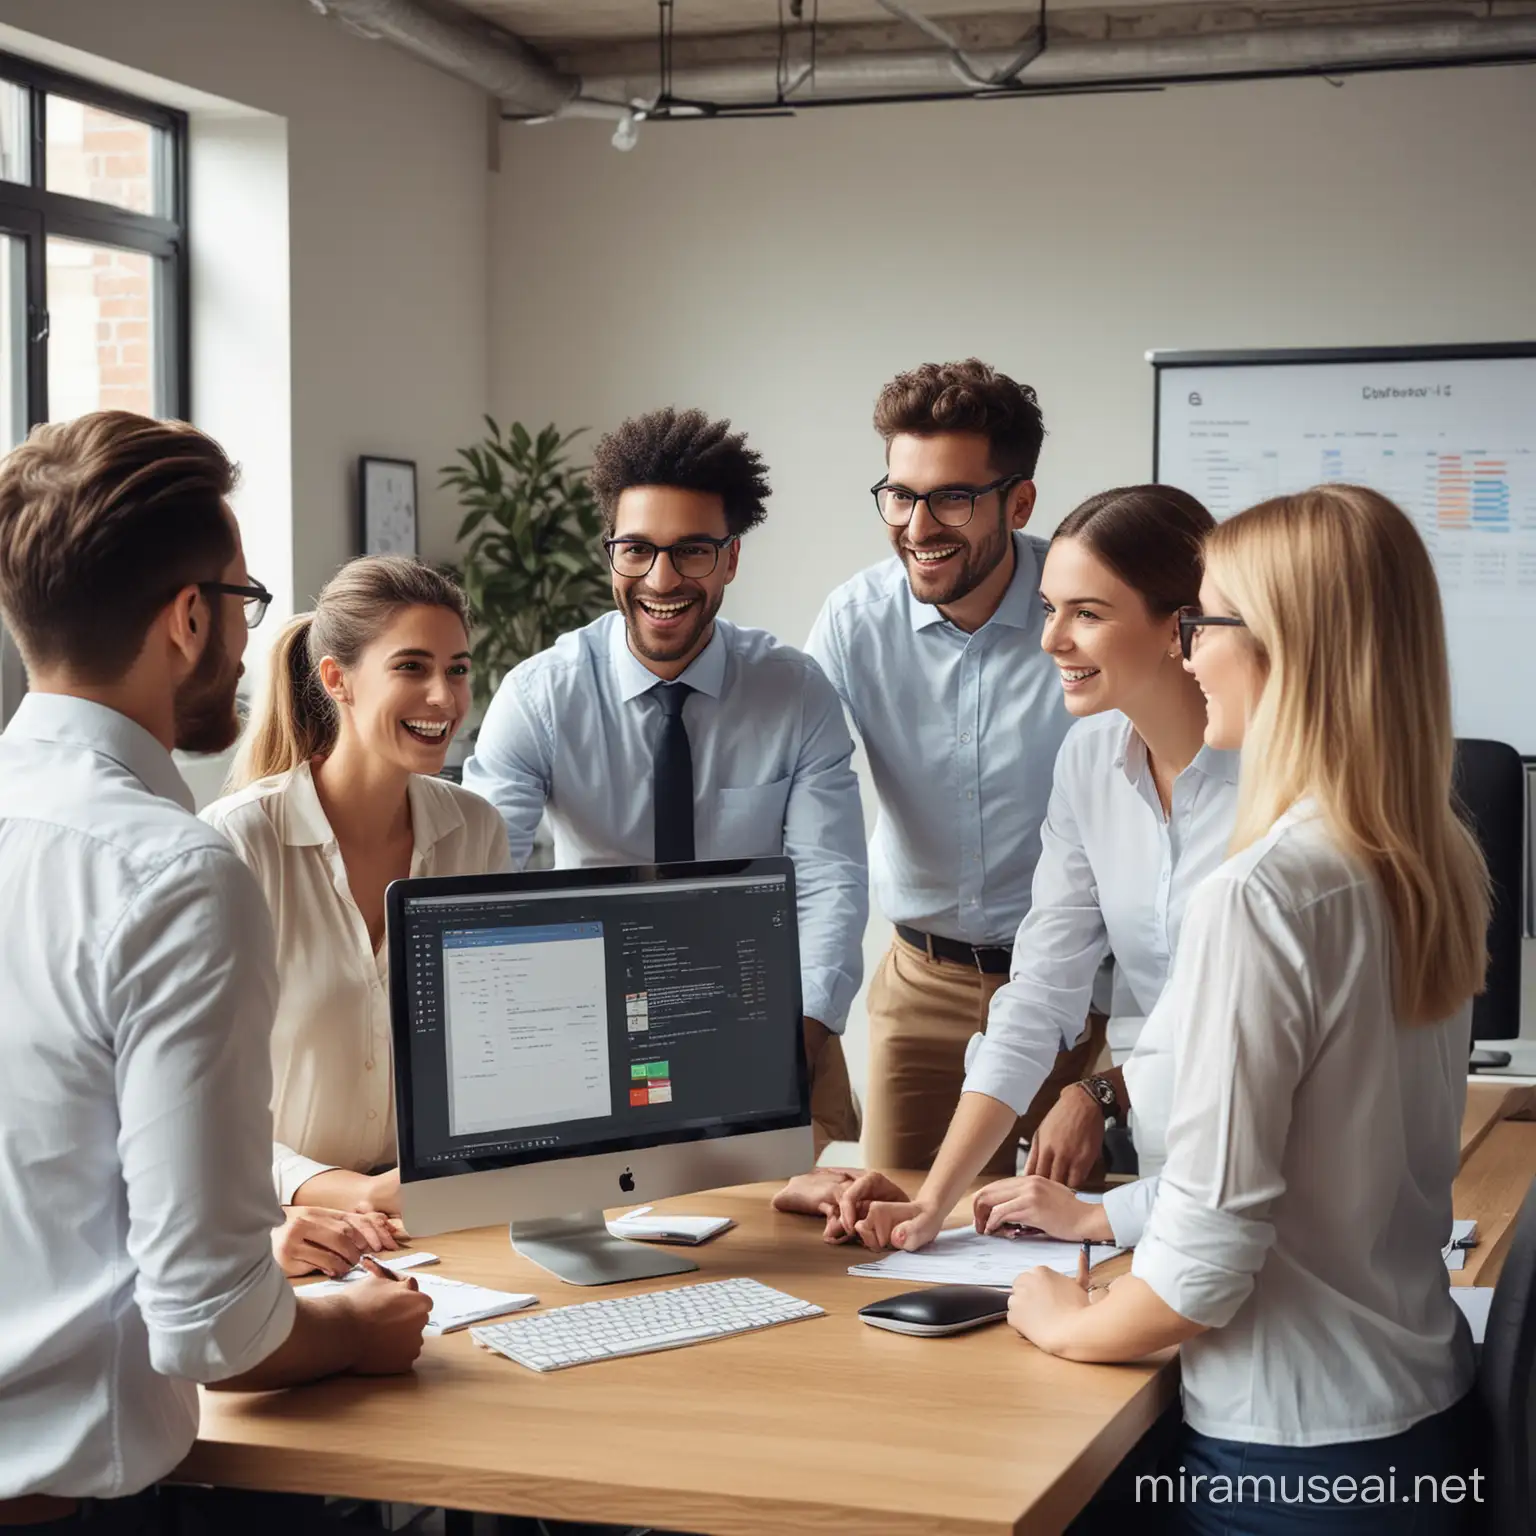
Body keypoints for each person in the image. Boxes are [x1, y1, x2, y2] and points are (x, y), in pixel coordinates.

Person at [1007, 485, 1487, 1534]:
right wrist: (1109, 1216)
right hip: (1418, 1417)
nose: (1186, 654)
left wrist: (1061, 1320)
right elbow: (1317, 1164)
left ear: (1287, 650)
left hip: (1289, 1462)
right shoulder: (1424, 858)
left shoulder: (1261, 894)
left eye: (1204, 622)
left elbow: (1201, 1275)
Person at [0, 413, 432, 1532]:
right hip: (83, 1500)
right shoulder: (174, 872)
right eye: (242, 602)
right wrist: (356, 1325)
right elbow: (209, 1327)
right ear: (189, 619)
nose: (249, 641)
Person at [463, 407, 867, 1156]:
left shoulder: (797, 693)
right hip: (586, 1024)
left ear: (731, 558)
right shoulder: (541, 696)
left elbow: (829, 885)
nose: (662, 578)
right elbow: (485, 880)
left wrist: (792, 1046)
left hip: (770, 1019)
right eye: (637, 550)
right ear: (608, 553)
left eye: (692, 552)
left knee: (792, 1248)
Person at [845, 485, 1239, 1252]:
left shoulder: (1277, 777)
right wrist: (933, 1202)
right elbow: (1041, 994)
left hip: (1255, 1157)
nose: (1051, 638)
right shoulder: (1089, 761)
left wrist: (1098, 1207)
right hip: (1169, 1162)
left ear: (1179, 626)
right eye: (1051, 607)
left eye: (1087, 614)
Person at [804, 359, 1098, 1181]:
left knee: (1053, 1238)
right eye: (901, 495)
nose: (918, 524)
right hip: (919, 983)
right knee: (885, 1231)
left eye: (952, 498)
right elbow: (801, 801)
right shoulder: (854, 622)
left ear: (1021, 502)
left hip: (1065, 988)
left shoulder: (1081, 613)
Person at [203, 557, 510, 1261]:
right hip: (281, 1231)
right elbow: (197, 1109)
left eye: (458, 669)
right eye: (412, 667)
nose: (444, 696)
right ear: (337, 679)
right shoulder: (240, 841)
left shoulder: (477, 830)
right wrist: (346, 1191)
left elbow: (488, 1051)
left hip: (436, 1226)